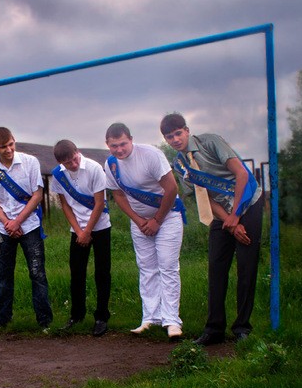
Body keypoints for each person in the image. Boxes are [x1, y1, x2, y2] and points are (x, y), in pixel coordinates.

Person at [159, 113, 263, 345]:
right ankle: (214, 329)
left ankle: (242, 328)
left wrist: (236, 215)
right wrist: (229, 221)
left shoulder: (210, 142)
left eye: (178, 133)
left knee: (246, 268)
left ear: (186, 130)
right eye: (169, 137)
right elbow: (202, 196)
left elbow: (242, 174)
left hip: (247, 202)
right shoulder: (180, 164)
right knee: (216, 268)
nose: (175, 139)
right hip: (221, 214)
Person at [104, 123, 184, 340]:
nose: (119, 150)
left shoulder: (151, 155)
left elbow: (172, 189)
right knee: (147, 268)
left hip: (167, 217)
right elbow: (118, 195)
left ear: (131, 139)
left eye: (122, 144)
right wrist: (139, 221)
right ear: (107, 145)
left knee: (167, 267)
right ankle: (150, 318)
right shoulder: (111, 164)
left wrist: (157, 220)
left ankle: (172, 321)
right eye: (114, 146)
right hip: (140, 222)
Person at [0, 127, 53, 331]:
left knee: (37, 274)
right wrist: (8, 223)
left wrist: (17, 221)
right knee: (3, 276)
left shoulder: (30, 162)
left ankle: (45, 322)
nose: (9, 149)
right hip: (4, 229)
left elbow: (37, 195)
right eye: (3, 147)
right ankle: (1, 320)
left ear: (14, 141)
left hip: (29, 226)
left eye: (11, 144)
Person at [49, 139, 111, 337]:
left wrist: (87, 231)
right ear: (61, 163)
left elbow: (99, 203)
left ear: (78, 152)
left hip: (100, 227)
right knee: (77, 274)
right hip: (76, 229)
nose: (73, 165)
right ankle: (77, 315)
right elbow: (65, 205)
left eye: (74, 159)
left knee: (102, 273)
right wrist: (79, 231)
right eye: (68, 163)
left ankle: (101, 317)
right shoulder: (58, 175)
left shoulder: (94, 169)